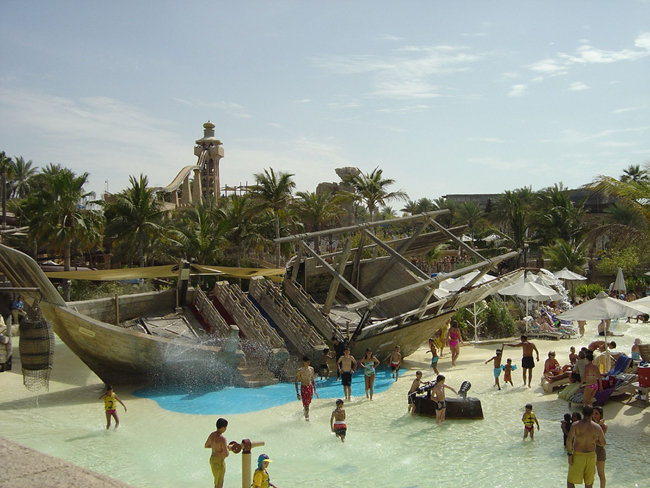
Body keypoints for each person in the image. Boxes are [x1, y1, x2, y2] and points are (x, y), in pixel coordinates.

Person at [566, 405, 606, 488]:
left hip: (578, 455)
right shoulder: (597, 427)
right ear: (592, 414)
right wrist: (593, 440)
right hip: (591, 456)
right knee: (589, 483)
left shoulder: (576, 425)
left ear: (582, 413)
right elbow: (603, 443)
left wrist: (570, 454)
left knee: (570, 481)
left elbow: (569, 441)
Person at [205, 418, 231, 488]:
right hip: (219, 461)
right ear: (223, 427)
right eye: (225, 427)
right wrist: (228, 448)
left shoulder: (212, 435)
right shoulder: (222, 438)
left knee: (216, 481)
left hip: (212, 459)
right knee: (219, 482)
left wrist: (215, 448)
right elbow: (226, 454)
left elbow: (206, 445)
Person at [295, 356, 318, 421]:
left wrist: (315, 390)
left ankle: (305, 411)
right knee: (306, 405)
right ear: (303, 362)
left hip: (310, 387)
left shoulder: (311, 369)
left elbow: (312, 379)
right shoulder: (300, 370)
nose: (308, 363)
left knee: (308, 402)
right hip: (304, 387)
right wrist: (297, 393)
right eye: (307, 362)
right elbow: (296, 381)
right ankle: (307, 419)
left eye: (309, 362)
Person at [592, 406, 608, 488]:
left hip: (600, 451)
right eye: (593, 413)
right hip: (591, 451)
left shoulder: (604, 426)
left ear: (600, 415)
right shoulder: (590, 424)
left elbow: (600, 440)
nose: (594, 415)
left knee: (601, 474)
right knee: (591, 473)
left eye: (596, 413)